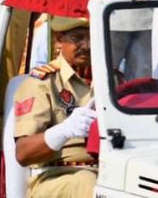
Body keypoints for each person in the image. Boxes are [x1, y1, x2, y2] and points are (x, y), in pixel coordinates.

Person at [14, 17, 96, 197]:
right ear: (59, 40)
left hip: (107, 173)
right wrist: (63, 131)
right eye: (78, 38)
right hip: (55, 177)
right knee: (87, 181)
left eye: (91, 37)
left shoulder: (111, 80)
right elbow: (23, 153)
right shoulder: (42, 83)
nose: (87, 45)